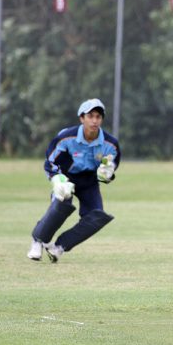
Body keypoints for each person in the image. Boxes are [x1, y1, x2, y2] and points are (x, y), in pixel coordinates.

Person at [27, 98, 121, 263]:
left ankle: (59, 247)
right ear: (81, 118)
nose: (94, 120)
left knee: (97, 216)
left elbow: (109, 170)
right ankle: (38, 241)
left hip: (89, 182)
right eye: (90, 116)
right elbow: (50, 162)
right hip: (66, 178)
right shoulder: (66, 137)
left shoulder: (110, 144)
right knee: (63, 204)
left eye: (98, 116)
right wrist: (57, 181)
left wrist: (107, 174)